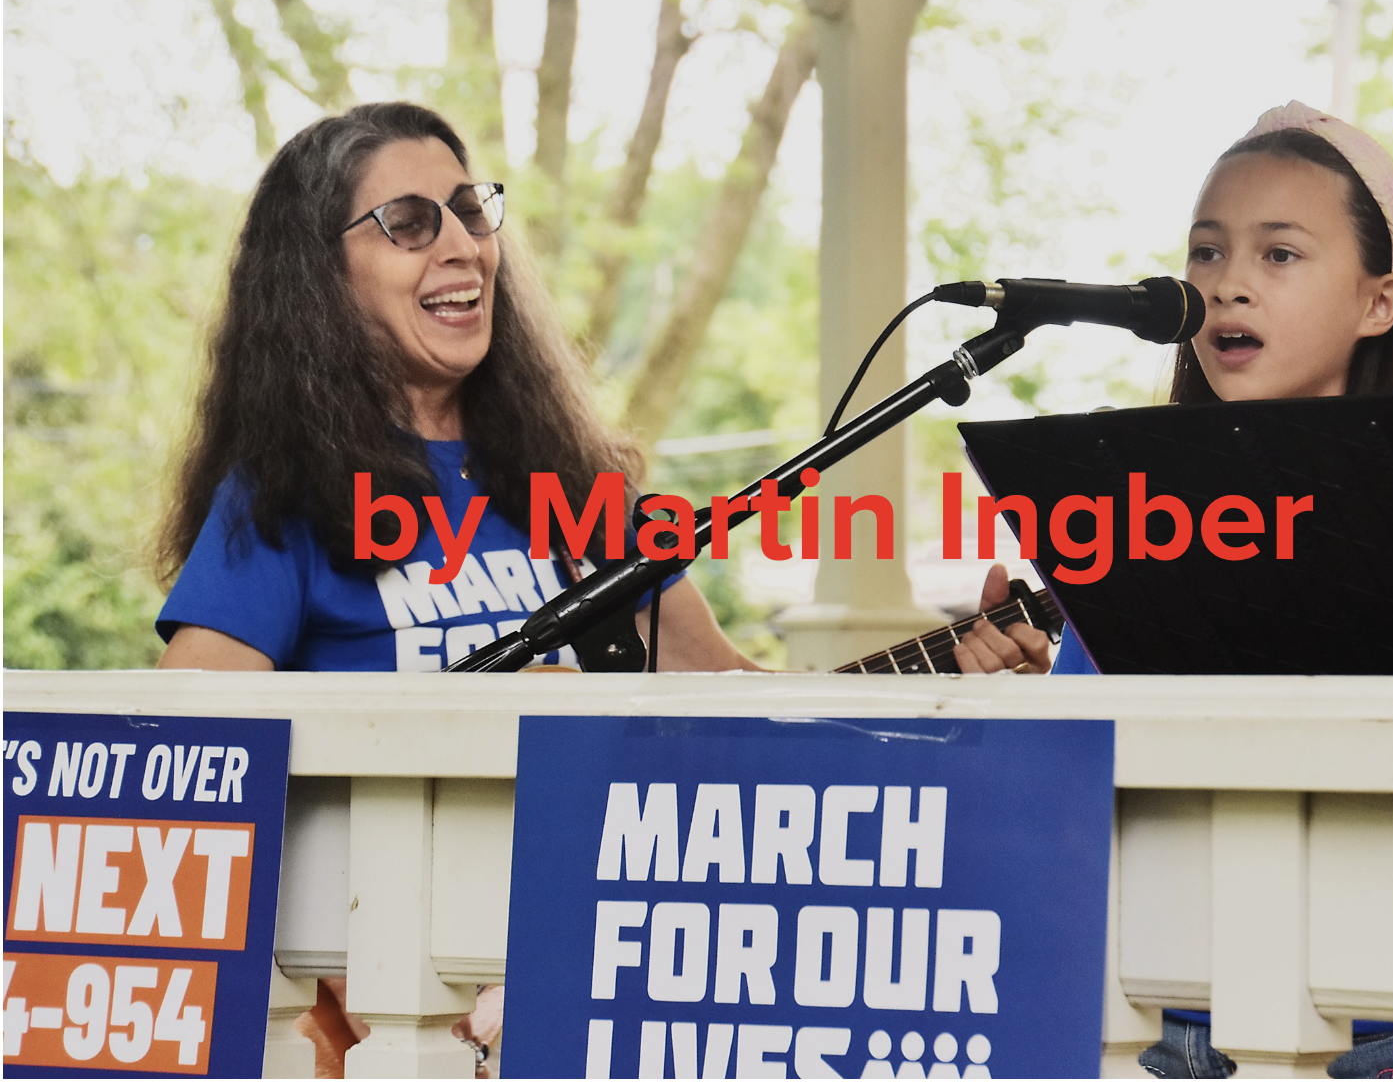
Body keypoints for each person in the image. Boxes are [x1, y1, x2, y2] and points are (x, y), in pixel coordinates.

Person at [153, 100, 1044, 1072]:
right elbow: (187, 756)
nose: (460, 245)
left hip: (607, 979)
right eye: (409, 223)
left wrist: (953, 667)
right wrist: (468, 720)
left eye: (469, 210)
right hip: (388, 1004)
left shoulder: (581, 493)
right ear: (318, 276)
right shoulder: (278, 500)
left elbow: (744, 706)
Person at [1049, 102, 1393, 1079]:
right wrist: (1009, 695)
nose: (1226, 287)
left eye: (1279, 255)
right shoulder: (1120, 518)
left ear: (1378, 302)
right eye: (1207, 253)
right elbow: (1067, 777)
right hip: (1154, 1021)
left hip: (1380, 1025)